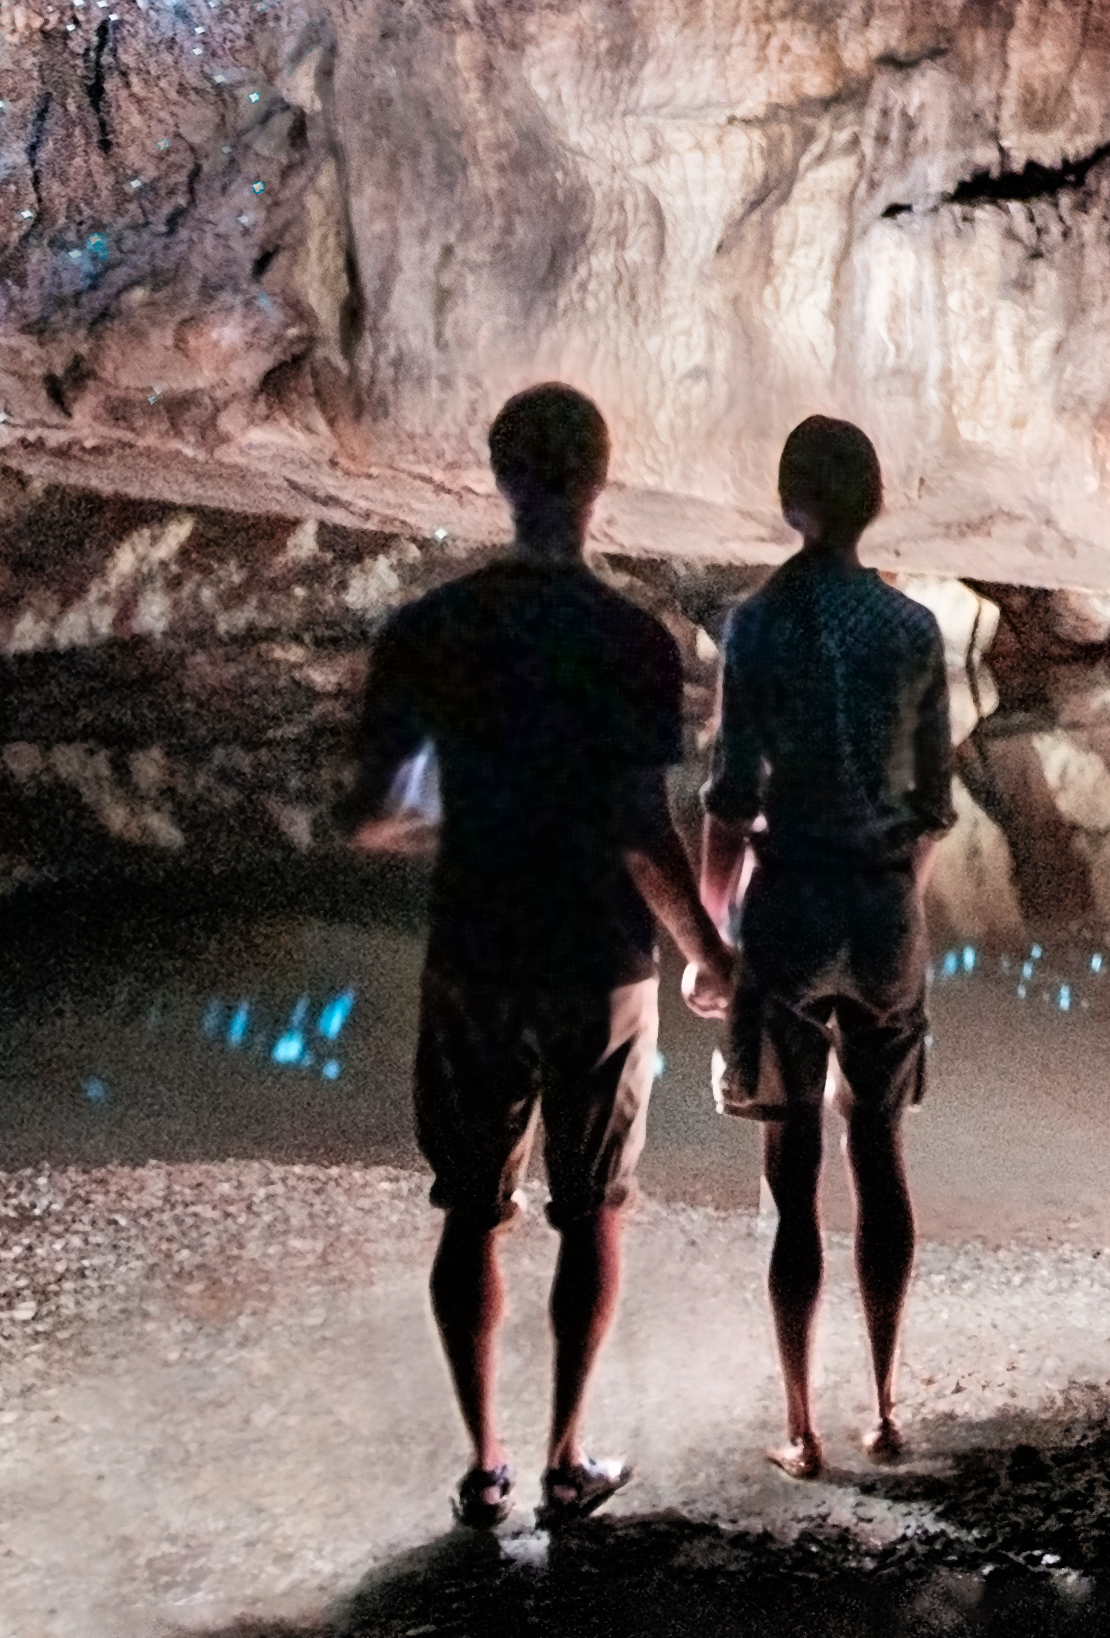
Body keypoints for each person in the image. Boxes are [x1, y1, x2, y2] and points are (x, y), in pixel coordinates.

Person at [348, 381, 725, 1537]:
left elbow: (373, 814)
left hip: (475, 945)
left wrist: (469, 810)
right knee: (593, 1208)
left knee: (471, 1211)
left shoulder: (428, 631)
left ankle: (482, 1468)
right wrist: (707, 954)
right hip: (599, 961)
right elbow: (637, 825)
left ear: (499, 479)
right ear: (596, 486)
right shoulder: (629, 641)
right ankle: (566, 1457)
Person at [694, 413, 961, 1478]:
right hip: (883, 906)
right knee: (880, 1154)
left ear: (788, 503)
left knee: (791, 1161)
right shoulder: (911, 629)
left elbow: (728, 797)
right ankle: (888, 1411)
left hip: (791, 905)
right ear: (873, 504)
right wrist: (898, 893)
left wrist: (717, 934)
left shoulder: (756, 622)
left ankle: (801, 1428)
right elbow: (935, 805)